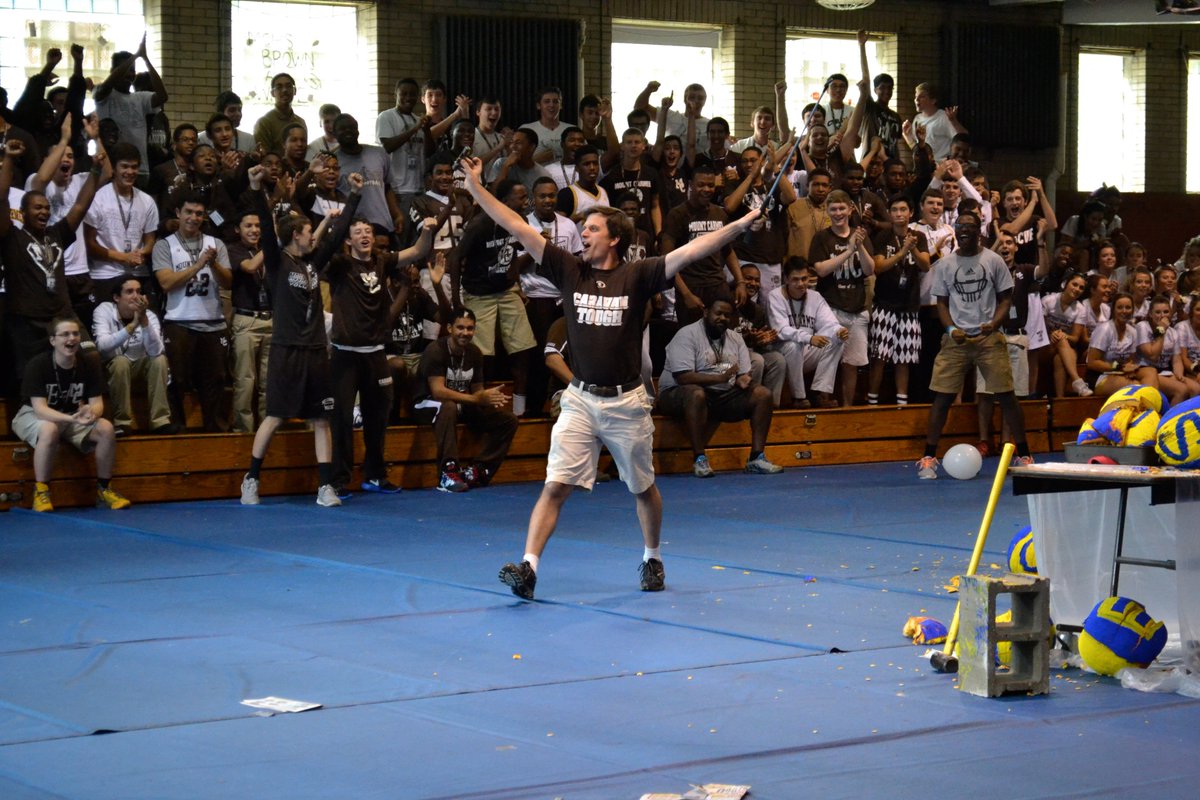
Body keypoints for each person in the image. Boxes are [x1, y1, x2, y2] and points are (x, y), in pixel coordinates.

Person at [458, 154, 761, 600]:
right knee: (555, 485)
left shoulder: (637, 275)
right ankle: (528, 567)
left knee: (642, 489)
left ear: (614, 238)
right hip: (580, 398)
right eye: (583, 229)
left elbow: (693, 250)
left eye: (593, 229)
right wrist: (475, 187)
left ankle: (652, 556)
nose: (584, 234)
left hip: (626, 403)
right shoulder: (568, 268)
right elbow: (517, 226)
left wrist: (740, 224)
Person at [240, 165, 358, 508]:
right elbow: (266, 225)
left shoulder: (311, 264)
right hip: (286, 350)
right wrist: (255, 186)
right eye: (308, 232)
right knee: (275, 415)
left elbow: (335, 237)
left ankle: (325, 488)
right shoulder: (279, 263)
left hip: (315, 352)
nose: (313, 236)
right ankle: (251, 478)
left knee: (322, 418)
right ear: (296, 235)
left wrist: (355, 196)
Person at [916, 209, 1033, 479]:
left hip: (988, 337)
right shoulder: (945, 264)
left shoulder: (993, 261)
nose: (964, 232)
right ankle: (928, 457)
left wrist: (994, 323)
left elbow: (1006, 298)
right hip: (956, 339)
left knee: (1006, 395)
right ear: (955, 232)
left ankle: (1024, 453)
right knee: (942, 397)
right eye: (960, 227)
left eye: (969, 227)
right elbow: (941, 303)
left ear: (979, 232)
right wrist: (950, 328)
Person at [13, 317, 130, 512]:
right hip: (32, 415)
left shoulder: (88, 363)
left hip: (71, 416)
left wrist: (91, 414)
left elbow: (97, 404)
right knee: (50, 429)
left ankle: (104, 489)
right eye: (65, 334)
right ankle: (41, 491)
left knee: (106, 428)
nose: (72, 338)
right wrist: (71, 418)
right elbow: (40, 409)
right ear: (53, 341)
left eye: (75, 334)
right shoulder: (38, 364)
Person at [657, 299, 783, 478]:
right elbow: (683, 377)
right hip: (676, 394)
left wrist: (743, 380)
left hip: (720, 394)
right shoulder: (686, 335)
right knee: (696, 393)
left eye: (727, 315)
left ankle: (756, 458)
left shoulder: (735, 337)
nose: (723, 318)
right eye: (718, 313)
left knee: (762, 394)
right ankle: (699, 458)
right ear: (706, 312)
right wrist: (719, 378)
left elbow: (743, 372)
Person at [414, 306, 519, 492]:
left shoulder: (474, 353)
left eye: (470, 328)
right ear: (449, 328)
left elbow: (477, 392)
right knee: (447, 406)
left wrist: (487, 398)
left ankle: (479, 470)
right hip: (428, 404)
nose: (465, 332)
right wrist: (476, 399)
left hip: (461, 404)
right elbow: (438, 391)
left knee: (508, 420)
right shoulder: (435, 350)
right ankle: (448, 472)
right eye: (460, 327)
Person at [153, 192, 232, 432]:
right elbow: (166, 282)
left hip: (213, 322)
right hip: (179, 321)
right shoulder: (164, 244)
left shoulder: (216, 244)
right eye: (189, 212)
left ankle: (214, 431)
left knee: (216, 380)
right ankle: (178, 430)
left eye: (199, 213)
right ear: (178, 213)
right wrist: (198, 265)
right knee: (177, 379)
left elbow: (228, 282)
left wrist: (214, 264)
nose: (193, 218)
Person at [92, 275, 175, 436]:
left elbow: (156, 351)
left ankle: (160, 421)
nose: (136, 296)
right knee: (121, 362)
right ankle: (122, 423)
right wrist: (132, 326)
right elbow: (102, 346)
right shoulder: (104, 310)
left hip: (139, 367)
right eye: (129, 292)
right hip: (112, 368)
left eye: (138, 291)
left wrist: (143, 321)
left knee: (159, 360)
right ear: (116, 297)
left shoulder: (148, 315)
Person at [767, 258, 847, 408]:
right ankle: (799, 397)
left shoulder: (815, 297)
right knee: (793, 345)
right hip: (781, 351)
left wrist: (839, 331)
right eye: (795, 279)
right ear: (785, 279)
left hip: (805, 351)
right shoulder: (775, 296)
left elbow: (828, 322)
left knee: (836, 342)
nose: (801, 284)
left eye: (804, 278)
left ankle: (820, 393)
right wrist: (810, 338)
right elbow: (781, 331)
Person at [253, 73, 306, 156]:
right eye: (279, 87)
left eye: (288, 86)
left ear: (295, 91)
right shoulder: (264, 123)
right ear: (272, 93)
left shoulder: (300, 122)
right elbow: (264, 157)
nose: (284, 90)